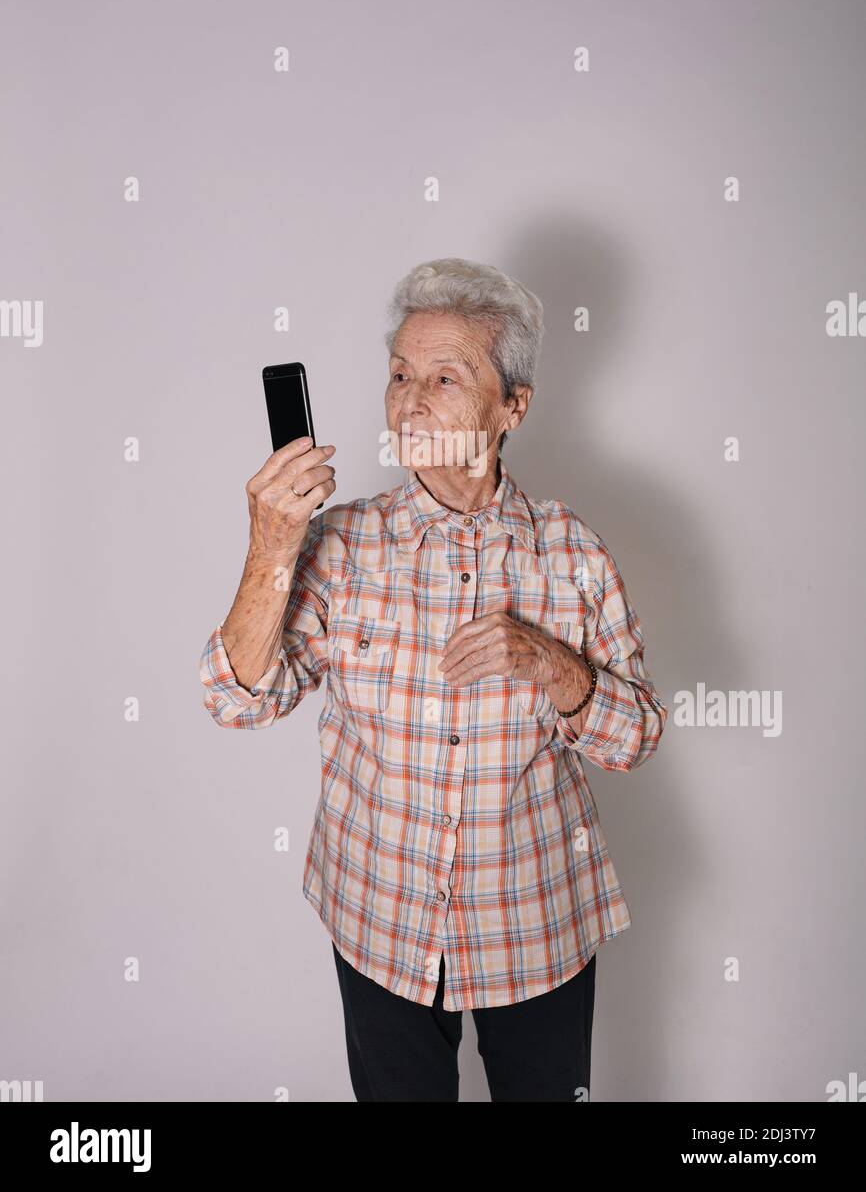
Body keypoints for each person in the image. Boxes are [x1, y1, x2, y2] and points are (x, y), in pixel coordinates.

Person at [198, 256, 667, 1102]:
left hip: (535, 924)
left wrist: (547, 660)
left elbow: (636, 739)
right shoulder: (336, 545)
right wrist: (272, 544)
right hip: (377, 918)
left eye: (445, 377)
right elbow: (235, 700)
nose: (410, 398)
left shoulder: (573, 552)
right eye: (399, 374)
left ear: (512, 406)